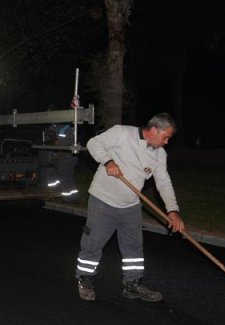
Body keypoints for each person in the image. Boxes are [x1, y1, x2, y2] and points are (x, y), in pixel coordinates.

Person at [75, 113, 185, 302]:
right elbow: (94, 144)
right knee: (93, 244)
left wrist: (173, 211)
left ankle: (132, 284)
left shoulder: (159, 154)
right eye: (165, 137)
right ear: (153, 130)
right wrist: (108, 161)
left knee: (134, 247)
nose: (166, 142)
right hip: (103, 201)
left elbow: (164, 183)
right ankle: (84, 278)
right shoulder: (122, 133)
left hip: (131, 206)